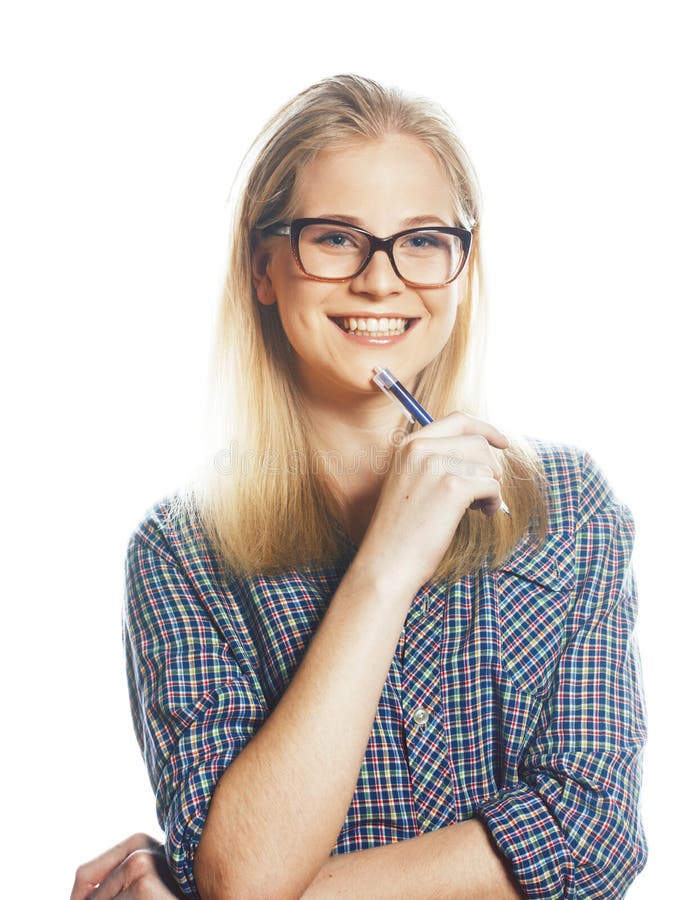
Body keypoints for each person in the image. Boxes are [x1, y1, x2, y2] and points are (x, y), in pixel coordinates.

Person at [71, 75, 647, 899]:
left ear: (460, 264)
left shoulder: (565, 508)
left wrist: (260, 889)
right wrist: (384, 569)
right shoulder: (180, 554)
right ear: (264, 267)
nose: (382, 281)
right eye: (336, 238)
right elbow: (242, 876)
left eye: (420, 240)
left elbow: (591, 837)